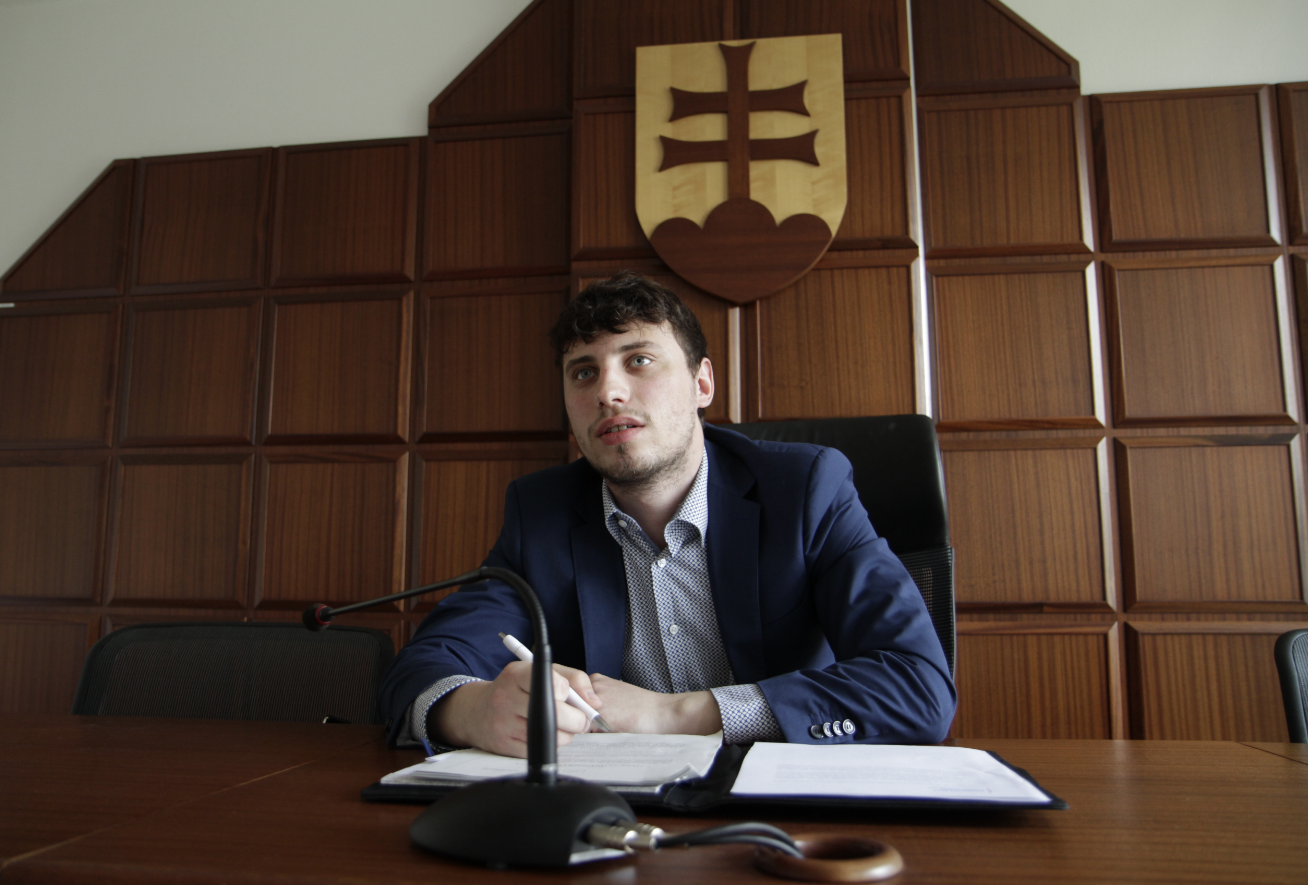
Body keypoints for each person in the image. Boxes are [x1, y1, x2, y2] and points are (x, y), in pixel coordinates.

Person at [379, 272, 955, 755]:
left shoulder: (806, 490)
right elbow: (426, 663)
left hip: (787, 803)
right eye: (583, 372)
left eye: (639, 360)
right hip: (619, 811)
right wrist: (473, 710)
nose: (608, 393)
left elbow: (919, 687)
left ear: (701, 383)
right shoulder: (542, 512)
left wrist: (673, 714)